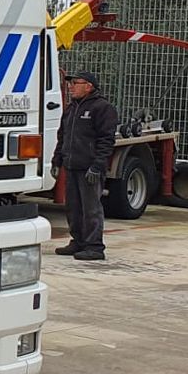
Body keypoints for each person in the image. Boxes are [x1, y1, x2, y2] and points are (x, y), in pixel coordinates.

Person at [52, 72, 119, 261]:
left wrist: (98, 166)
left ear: (88, 86)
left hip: (89, 167)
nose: (71, 86)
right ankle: (78, 241)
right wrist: (57, 161)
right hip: (72, 166)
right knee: (73, 207)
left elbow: (106, 141)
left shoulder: (102, 108)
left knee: (91, 208)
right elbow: (62, 136)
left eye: (75, 83)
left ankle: (95, 246)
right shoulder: (72, 108)